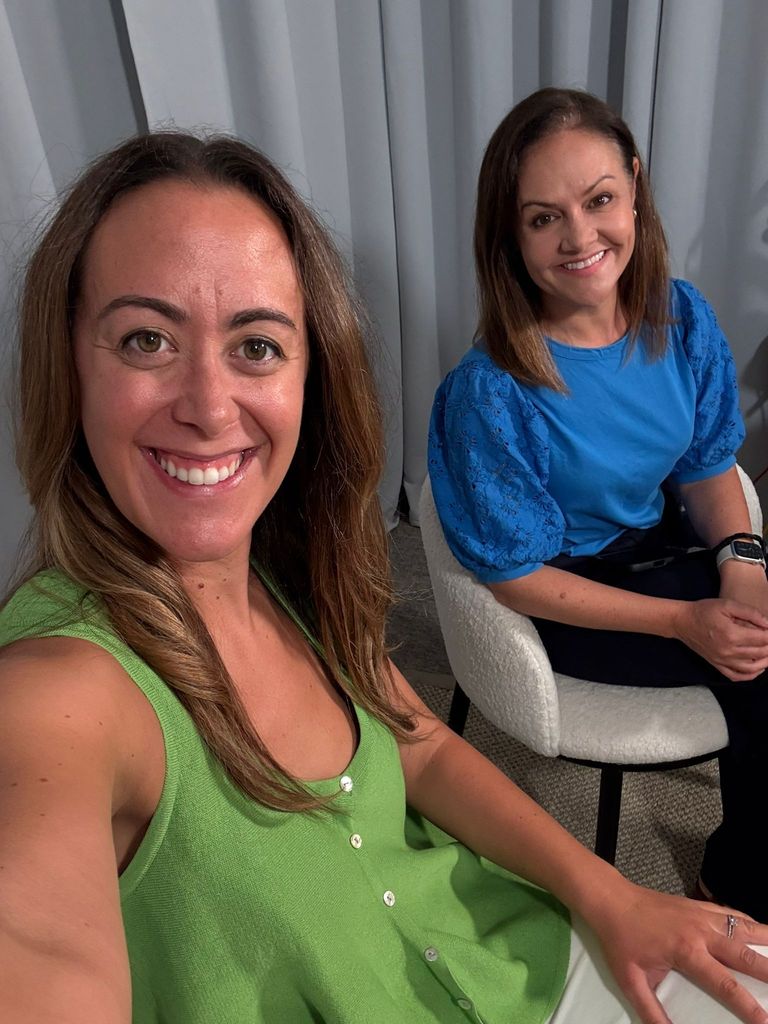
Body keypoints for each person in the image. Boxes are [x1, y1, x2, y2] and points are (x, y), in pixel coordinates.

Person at [1, 132, 767, 1024]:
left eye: (255, 346)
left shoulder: (295, 566)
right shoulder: (54, 697)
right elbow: (38, 944)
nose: (209, 407)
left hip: (510, 954)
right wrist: (682, 622)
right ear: (69, 365)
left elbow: (423, 743)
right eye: (146, 339)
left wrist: (611, 893)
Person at [429, 86, 768, 927]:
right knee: (764, 676)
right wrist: (685, 622)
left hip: (665, 550)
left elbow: (706, 464)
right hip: (572, 589)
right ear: (510, 235)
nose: (581, 238)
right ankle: (738, 887)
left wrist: (744, 566)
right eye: (544, 218)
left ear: (635, 188)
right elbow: (516, 577)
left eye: (599, 200)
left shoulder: (679, 318)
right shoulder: (493, 390)